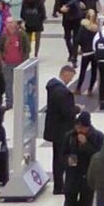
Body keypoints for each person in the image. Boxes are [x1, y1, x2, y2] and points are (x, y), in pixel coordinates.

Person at [59, 115, 100, 206]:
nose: (79, 130)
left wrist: (86, 144)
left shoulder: (97, 136)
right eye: (77, 126)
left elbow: (97, 156)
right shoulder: (69, 136)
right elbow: (62, 156)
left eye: (82, 127)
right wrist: (68, 160)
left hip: (87, 177)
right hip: (72, 176)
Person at [44, 64, 78, 194]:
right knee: (65, 157)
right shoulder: (62, 92)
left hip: (55, 129)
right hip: (63, 130)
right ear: (65, 74)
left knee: (57, 157)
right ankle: (63, 184)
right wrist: (77, 109)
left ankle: (59, 184)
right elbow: (67, 112)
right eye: (70, 77)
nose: (70, 80)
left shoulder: (53, 87)